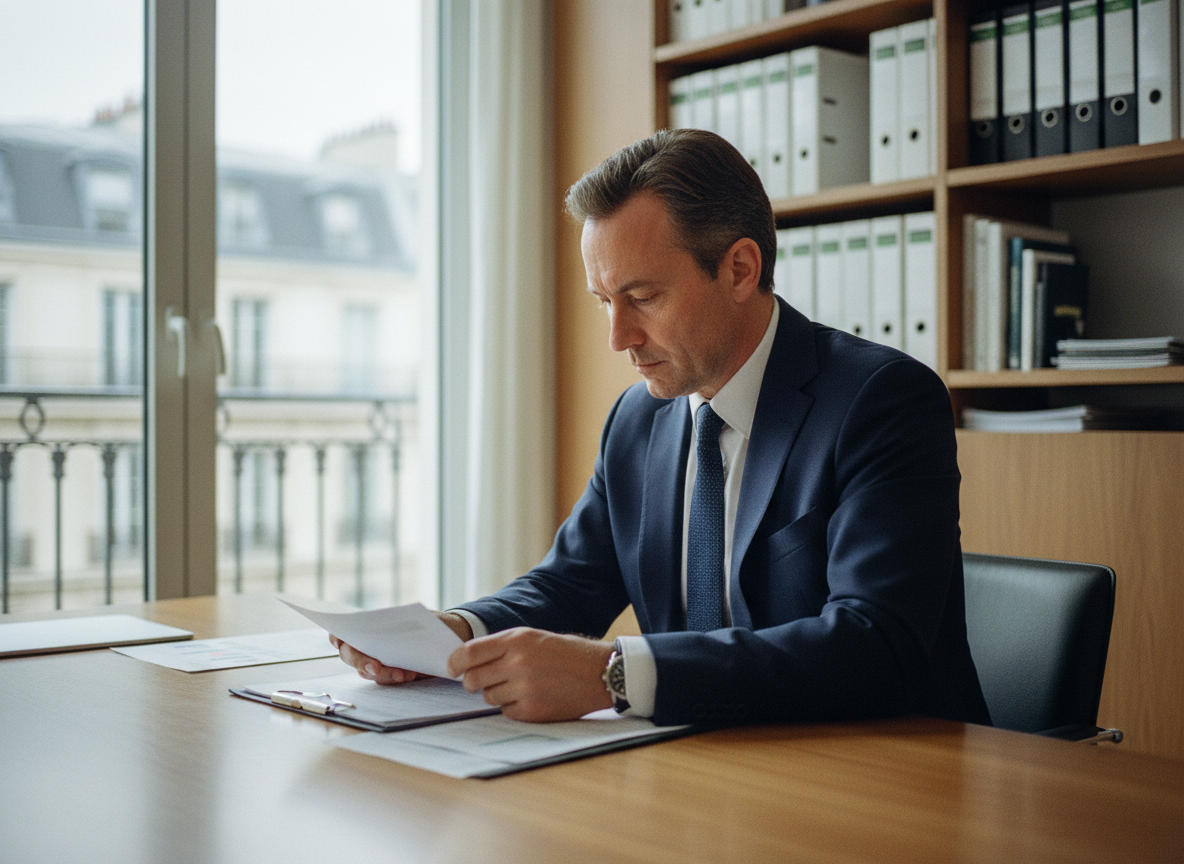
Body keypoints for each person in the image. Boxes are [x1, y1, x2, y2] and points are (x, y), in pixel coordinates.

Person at [332, 128, 990, 728]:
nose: (618, 337)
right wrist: (454, 636)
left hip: (881, 775)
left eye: (642, 298)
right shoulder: (638, 419)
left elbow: (874, 645)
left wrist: (613, 673)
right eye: (604, 302)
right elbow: (569, 584)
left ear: (739, 269)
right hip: (698, 770)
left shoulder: (880, 402)